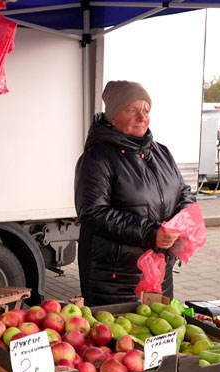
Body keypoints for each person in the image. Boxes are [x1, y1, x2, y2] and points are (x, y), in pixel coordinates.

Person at [74, 80, 195, 305]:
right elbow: (93, 212)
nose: (142, 117)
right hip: (115, 280)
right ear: (113, 117)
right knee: (119, 338)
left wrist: (180, 220)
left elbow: (184, 191)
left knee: (160, 334)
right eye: (132, 110)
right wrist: (152, 233)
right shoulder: (97, 157)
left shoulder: (161, 152)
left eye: (146, 110)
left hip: (159, 271)